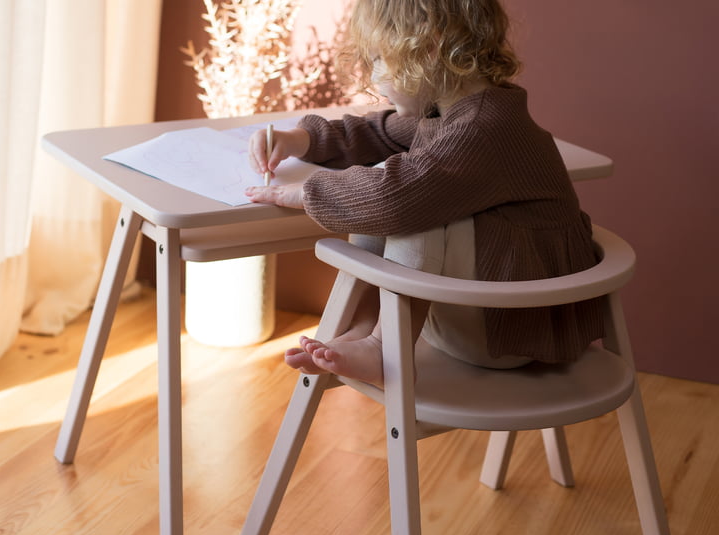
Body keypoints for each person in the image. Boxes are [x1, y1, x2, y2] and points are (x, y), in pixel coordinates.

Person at [245, 0, 603, 387]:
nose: (372, 74)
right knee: (394, 183)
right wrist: (304, 139)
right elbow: (379, 132)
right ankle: (363, 333)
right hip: (475, 309)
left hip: (514, 327)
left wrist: (306, 193)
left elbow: (396, 198)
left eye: (379, 58)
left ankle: (382, 347)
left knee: (404, 194)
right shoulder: (456, 110)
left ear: (426, 48)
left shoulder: (483, 128)